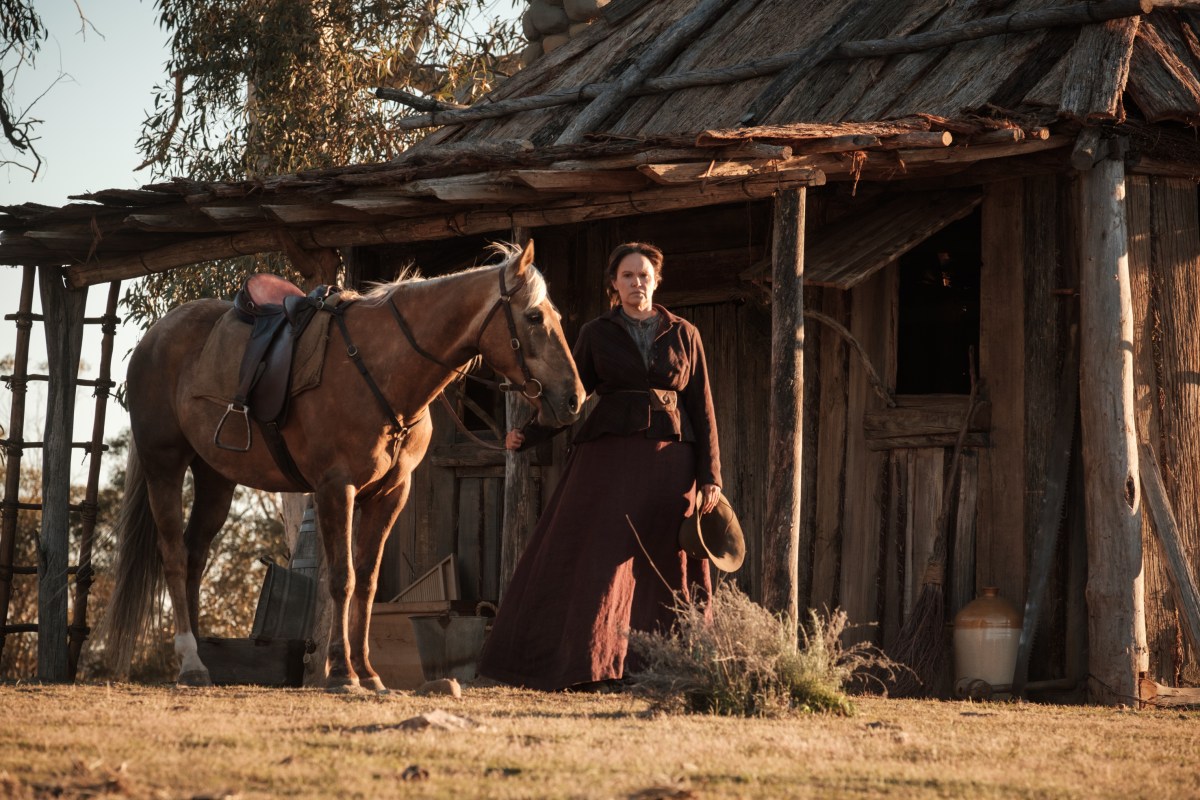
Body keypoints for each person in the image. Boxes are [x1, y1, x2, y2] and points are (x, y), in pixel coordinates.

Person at [478, 241, 722, 691]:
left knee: (669, 564)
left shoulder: (684, 333)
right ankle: (592, 665)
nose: (637, 283)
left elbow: (702, 408)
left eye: (644, 275)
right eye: (627, 276)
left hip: (672, 465)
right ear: (614, 284)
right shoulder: (596, 333)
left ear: (656, 280)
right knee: (599, 558)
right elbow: (572, 397)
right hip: (608, 461)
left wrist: (711, 477)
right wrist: (529, 435)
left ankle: (671, 669)